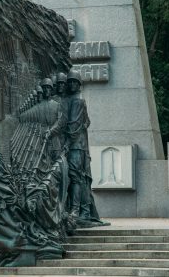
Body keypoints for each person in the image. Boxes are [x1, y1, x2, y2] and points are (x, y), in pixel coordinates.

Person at [66, 69, 101, 225]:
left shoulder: (77, 100)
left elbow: (75, 125)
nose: (72, 84)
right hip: (77, 145)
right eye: (70, 82)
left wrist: (66, 143)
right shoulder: (72, 99)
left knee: (76, 178)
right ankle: (83, 210)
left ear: (79, 84)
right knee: (79, 178)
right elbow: (87, 122)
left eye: (75, 82)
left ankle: (76, 210)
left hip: (76, 147)